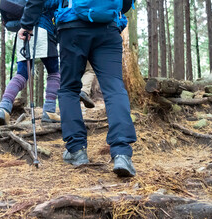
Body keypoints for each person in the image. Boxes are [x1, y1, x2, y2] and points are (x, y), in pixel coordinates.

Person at [19, 1, 137, 177]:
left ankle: (77, 150)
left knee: (68, 89)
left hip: (72, 27)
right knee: (114, 89)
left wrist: (27, 25)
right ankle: (122, 153)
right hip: (107, 27)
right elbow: (127, 3)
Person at [0, 0, 60, 126]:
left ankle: (4, 108)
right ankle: (49, 111)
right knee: (54, 72)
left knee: (22, 74)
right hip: (42, 29)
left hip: (23, 30)